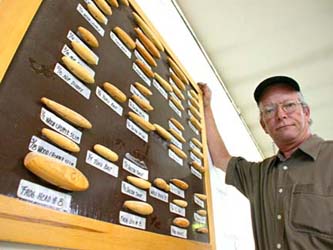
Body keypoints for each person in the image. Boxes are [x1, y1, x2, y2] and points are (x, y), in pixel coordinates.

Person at [199, 76, 333, 250]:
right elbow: (221, 159)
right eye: (269, 110)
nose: (281, 115)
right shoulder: (260, 174)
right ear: (264, 126)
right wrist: (206, 108)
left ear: (306, 113)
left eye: (289, 105)